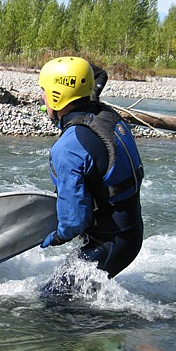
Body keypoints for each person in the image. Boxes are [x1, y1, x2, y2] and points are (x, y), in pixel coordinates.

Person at [38, 56, 144, 289]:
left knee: (54, 301)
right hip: (129, 230)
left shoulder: (67, 149)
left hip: (112, 241)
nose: (42, 96)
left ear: (57, 97)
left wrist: (58, 236)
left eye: (44, 91)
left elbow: (75, 219)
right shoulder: (102, 113)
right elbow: (99, 75)